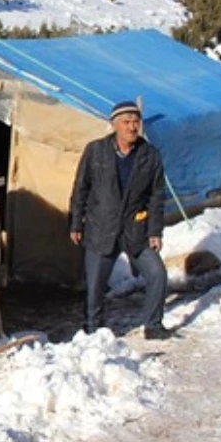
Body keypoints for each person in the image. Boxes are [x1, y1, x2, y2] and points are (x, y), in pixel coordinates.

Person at [68, 100, 172, 340]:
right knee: (95, 285)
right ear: (114, 125)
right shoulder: (96, 151)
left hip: (135, 228)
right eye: (126, 122)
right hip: (100, 226)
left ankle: (153, 325)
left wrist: (155, 231)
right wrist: (75, 222)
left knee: (157, 274)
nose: (132, 127)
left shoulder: (149, 155)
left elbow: (157, 196)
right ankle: (94, 330)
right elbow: (81, 187)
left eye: (136, 122)